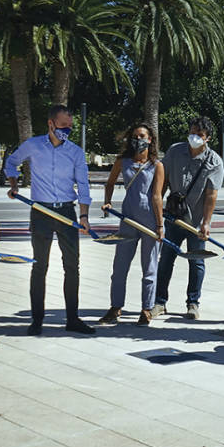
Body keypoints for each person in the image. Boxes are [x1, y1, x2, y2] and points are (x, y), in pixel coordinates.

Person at [5, 105, 94, 336]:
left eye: (70, 127)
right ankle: (37, 320)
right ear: (51, 124)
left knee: (72, 267)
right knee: (39, 266)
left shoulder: (75, 152)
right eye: (64, 126)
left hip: (66, 212)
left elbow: (83, 184)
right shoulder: (33, 146)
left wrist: (84, 215)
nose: (68, 130)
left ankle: (72, 319)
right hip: (41, 212)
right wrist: (14, 184)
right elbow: (11, 162)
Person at [150, 117, 224, 321]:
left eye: (199, 135)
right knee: (165, 260)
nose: (194, 137)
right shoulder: (175, 151)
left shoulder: (214, 162)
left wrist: (206, 223)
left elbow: (211, 195)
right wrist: (157, 207)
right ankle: (159, 302)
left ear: (207, 138)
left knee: (197, 262)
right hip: (174, 218)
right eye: (192, 132)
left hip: (195, 223)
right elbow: (162, 180)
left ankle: (193, 303)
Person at [98, 123, 164, 326]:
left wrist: (160, 226)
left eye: (142, 136)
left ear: (150, 139)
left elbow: (157, 196)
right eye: (135, 136)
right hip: (127, 218)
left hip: (150, 220)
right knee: (120, 266)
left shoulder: (157, 165)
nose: (138, 140)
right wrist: (107, 201)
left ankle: (146, 309)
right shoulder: (123, 162)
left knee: (149, 267)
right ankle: (115, 307)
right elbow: (109, 183)